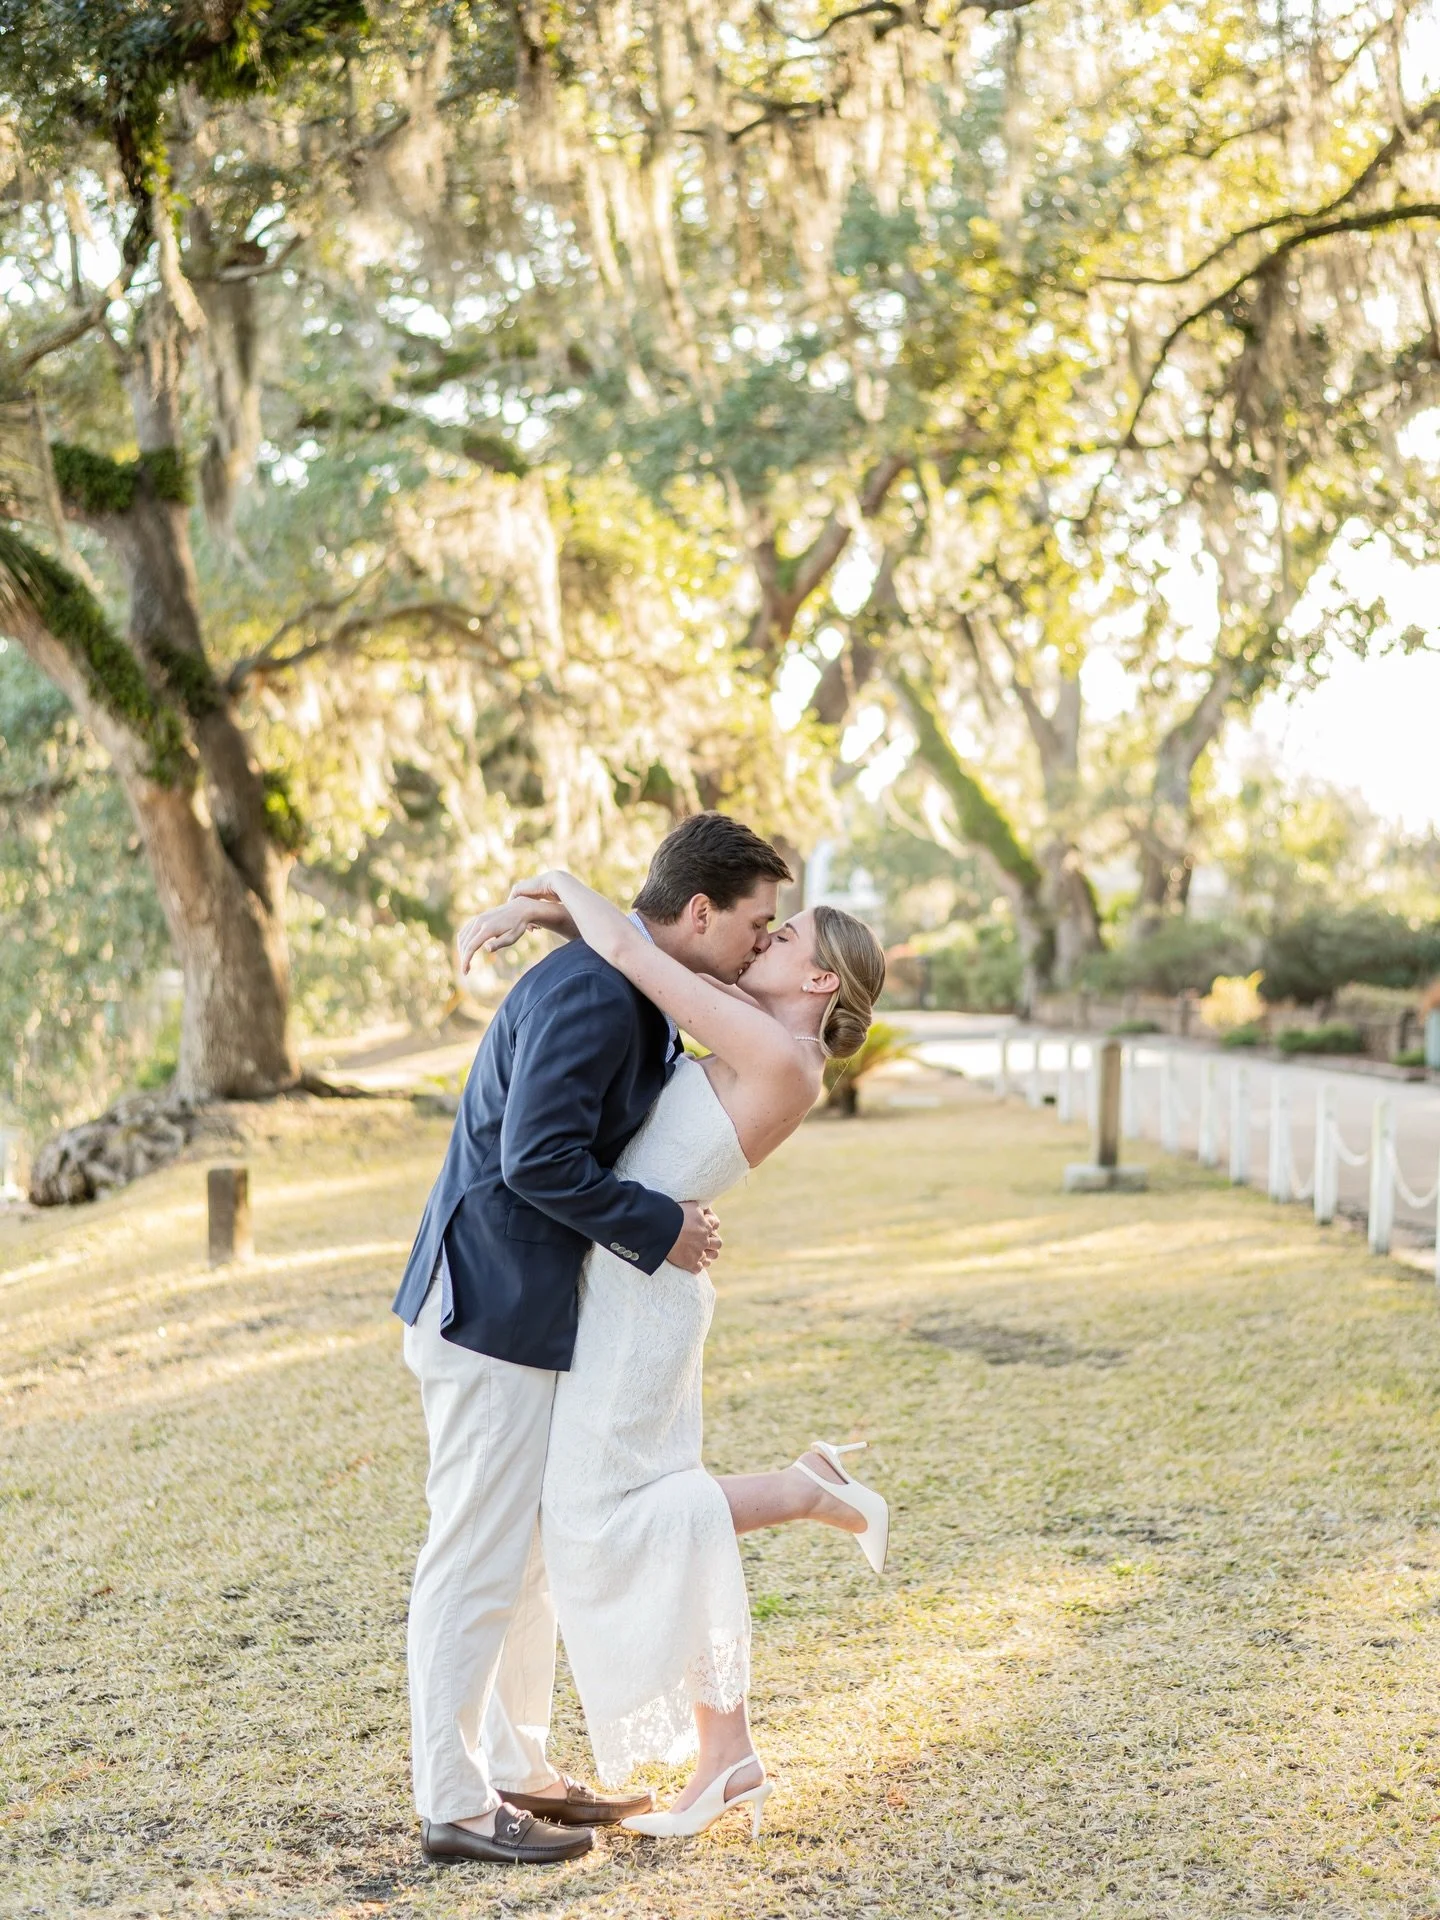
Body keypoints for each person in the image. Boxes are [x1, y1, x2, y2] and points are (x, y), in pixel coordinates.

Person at [391, 814, 792, 1867]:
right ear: (699, 912)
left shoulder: (636, 987)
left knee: (524, 1561)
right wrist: (662, 1229)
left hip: (528, 1311)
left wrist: (543, 900)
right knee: (475, 1557)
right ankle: (454, 1800)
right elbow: (536, 1158)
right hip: (487, 1306)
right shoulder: (598, 994)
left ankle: (518, 1767)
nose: (763, 945)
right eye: (758, 925)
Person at [457, 863, 888, 1840]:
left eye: (785, 939)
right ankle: (726, 1754)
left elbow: (626, 947)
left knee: (599, 1523)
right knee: (638, 1511)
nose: (763, 941)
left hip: (639, 1294)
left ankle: (806, 1490)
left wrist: (552, 883)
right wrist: (534, 915)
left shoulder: (779, 1052)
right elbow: (641, 958)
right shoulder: (756, 1019)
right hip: (632, 1278)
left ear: (819, 984)